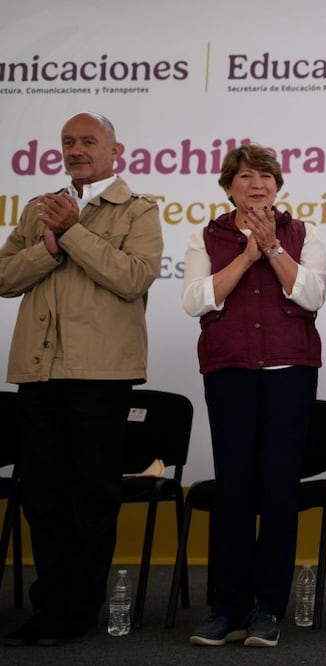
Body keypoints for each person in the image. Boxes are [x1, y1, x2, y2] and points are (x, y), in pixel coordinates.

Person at [0, 113, 163, 646]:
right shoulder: (37, 209)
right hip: (39, 369)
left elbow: (133, 278)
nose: (76, 149)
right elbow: (4, 278)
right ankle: (49, 605)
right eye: (68, 141)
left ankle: (79, 609)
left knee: (90, 495)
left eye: (88, 141)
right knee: (42, 494)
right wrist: (47, 245)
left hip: (100, 374)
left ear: (116, 149)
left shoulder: (139, 209)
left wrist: (71, 232)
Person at [182, 144, 326, 648]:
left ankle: (268, 609)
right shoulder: (208, 237)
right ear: (228, 187)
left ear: (278, 185)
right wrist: (246, 255)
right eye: (246, 176)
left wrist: (272, 250)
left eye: (266, 175)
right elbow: (195, 299)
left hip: (290, 373)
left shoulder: (303, 234)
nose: (258, 183)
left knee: (279, 490)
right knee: (236, 489)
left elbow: (311, 297)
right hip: (230, 373)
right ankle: (227, 608)